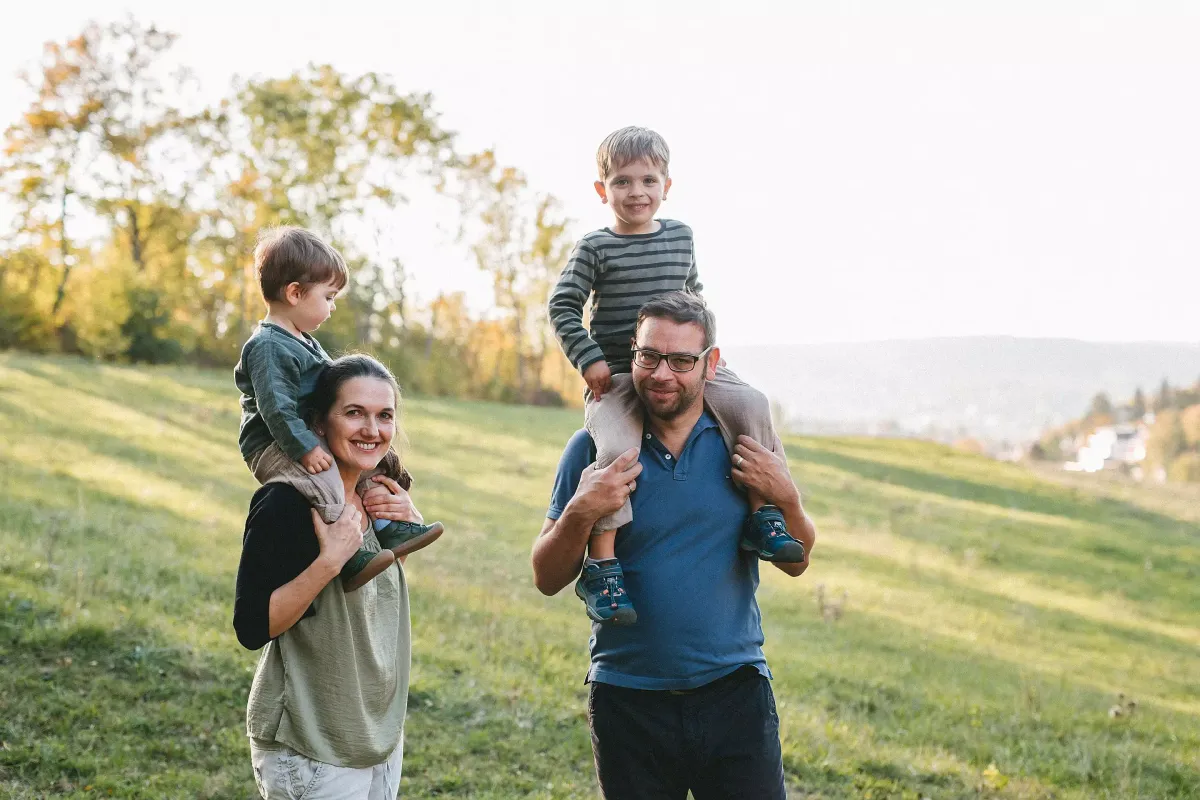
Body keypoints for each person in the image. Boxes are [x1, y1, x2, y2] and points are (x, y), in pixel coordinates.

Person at [532, 292, 817, 800]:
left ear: (712, 363)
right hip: (627, 700)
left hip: (736, 694)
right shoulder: (593, 449)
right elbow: (546, 577)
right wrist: (581, 509)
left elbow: (798, 562)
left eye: (682, 360)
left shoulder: (741, 442)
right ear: (633, 353)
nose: (661, 374)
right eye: (649, 356)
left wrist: (788, 496)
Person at [547, 126, 803, 625]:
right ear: (602, 190)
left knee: (751, 403)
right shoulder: (595, 247)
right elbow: (562, 306)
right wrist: (589, 358)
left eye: (648, 180)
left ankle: (762, 517)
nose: (636, 192)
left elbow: (695, 294)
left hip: (686, 361)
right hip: (620, 375)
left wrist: (701, 353)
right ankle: (603, 566)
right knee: (617, 452)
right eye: (622, 182)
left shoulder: (681, 236)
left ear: (666, 186)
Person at [234, 354, 433, 798]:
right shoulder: (287, 503)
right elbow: (252, 626)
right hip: (312, 741)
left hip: (376, 733)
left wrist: (404, 529)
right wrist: (329, 561)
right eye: (354, 413)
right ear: (318, 423)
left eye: (384, 416)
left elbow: (368, 599)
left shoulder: (377, 494)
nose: (372, 430)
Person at [235, 226, 442, 591]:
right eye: (328, 297)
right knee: (328, 485)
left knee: (381, 465)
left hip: (302, 434)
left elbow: (331, 383)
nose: (332, 307)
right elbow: (276, 409)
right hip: (275, 444)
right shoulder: (268, 345)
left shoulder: (304, 341)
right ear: (294, 293)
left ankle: (390, 528)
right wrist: (305, 447)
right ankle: (351, 556)